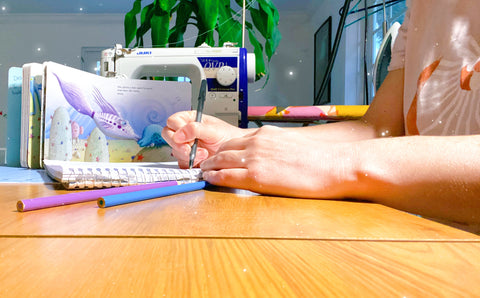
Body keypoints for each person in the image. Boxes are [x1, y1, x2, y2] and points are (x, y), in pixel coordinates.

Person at [162, 0, 480, 232]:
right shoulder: (422, 7)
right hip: (428, 238)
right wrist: (238, 142)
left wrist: (331, 165)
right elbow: (378, 129)